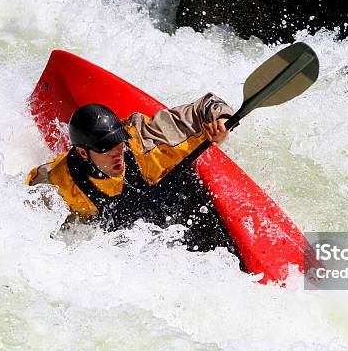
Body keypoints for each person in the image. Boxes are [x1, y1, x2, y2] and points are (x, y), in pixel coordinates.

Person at [27, 93, 237, 252]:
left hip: (177, 197)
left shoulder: (146, 141)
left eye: (118, 144)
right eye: (106, 149)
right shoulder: (59, 182)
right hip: (131, 233)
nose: (117, 154)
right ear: (83, 152)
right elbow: (28, 207)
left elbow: (207, 105)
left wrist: (221, 119)